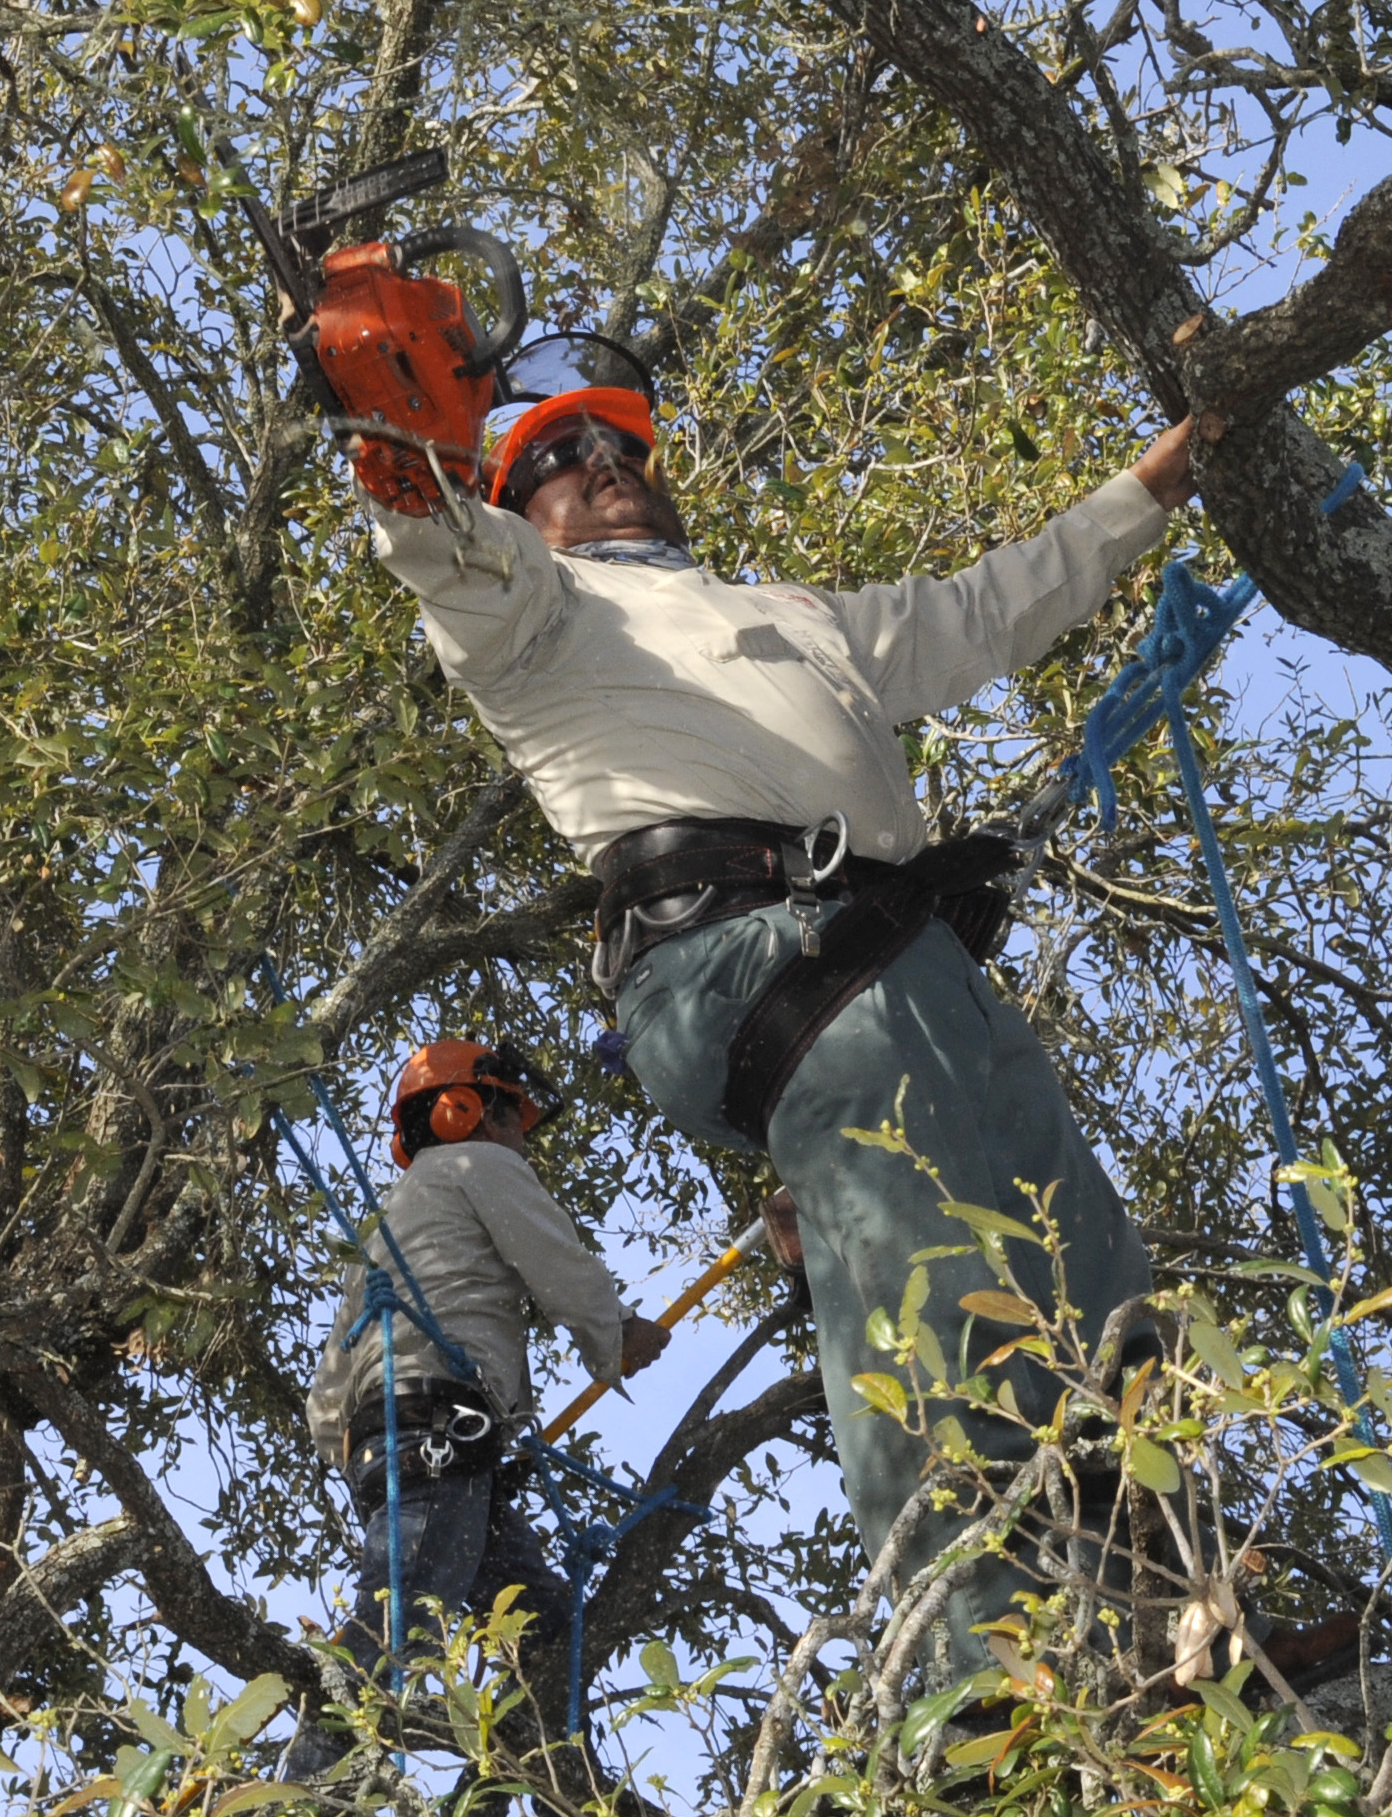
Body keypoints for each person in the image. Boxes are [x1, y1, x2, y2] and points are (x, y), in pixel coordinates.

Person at [349, 335, 1198, 1675]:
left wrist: (1154, 483)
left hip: (909, 966)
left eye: (619, 445)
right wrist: (398, 441)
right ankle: (991, 1685)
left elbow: (990, 606)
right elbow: (438, 539)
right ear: (522, 511)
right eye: (558, 460)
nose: (602, 464)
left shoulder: (802, 617)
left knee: (1085, 1264)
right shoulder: (537, 613)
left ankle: (1166, 1629)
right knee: (932, 1279)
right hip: (756, 955)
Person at [288, 1037, 668, 1794]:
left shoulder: (386, 1226)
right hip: (436, 1432)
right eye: (514, 1118)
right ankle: (305, 1809)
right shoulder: (479, 1166)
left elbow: (329, 1393)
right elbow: (556, 1263)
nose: (522, 1137)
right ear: (467, 1110)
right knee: (396, 1623)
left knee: (545, 1630)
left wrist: (365, 1446)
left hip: (412, 1443)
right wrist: (615, 1332)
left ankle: (562, 1796)